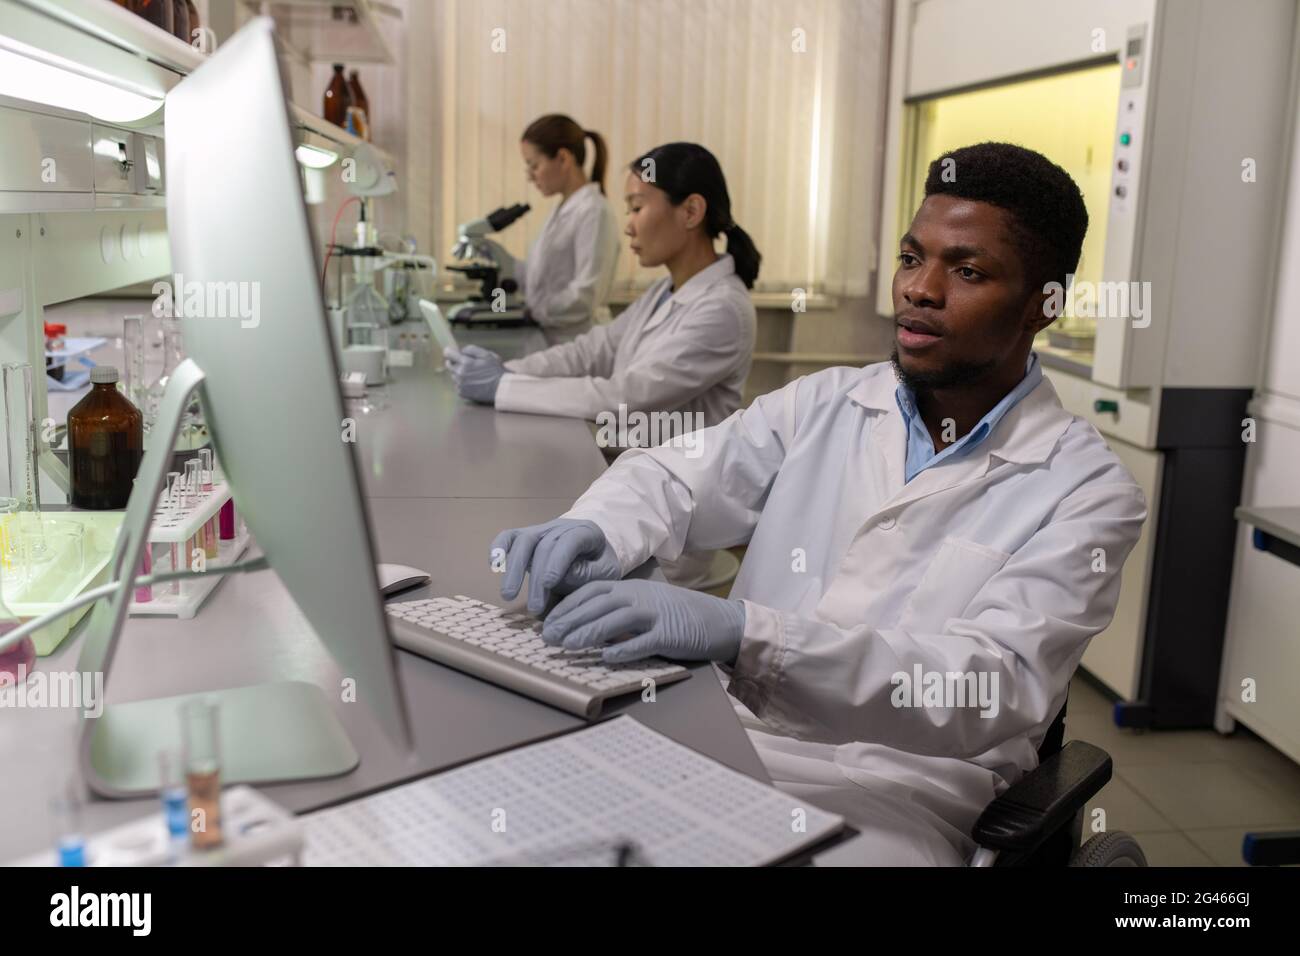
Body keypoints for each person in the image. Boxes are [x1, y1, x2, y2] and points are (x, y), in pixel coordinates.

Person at [487, 142, 1149, 865]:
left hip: (897, 798)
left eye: (966, 271)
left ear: (1041, 306)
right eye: (910, 258)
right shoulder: (827, 401)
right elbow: (675, 477)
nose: (919, 290)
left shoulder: (1086, 490)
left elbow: (989, 687)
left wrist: (747, 635)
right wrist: (597, 525)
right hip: (722, 734)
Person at [449, 141, 761, 588]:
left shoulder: (722, 309)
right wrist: (511, 370)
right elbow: (591, 350)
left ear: (691, 211)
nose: (628, 226)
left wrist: (501, 389)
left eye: (637, 208)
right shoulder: (665, 291)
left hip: (671, 521)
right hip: (631, 483)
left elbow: (624, 398)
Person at [490, 114, 620, 343]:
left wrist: (535, 311)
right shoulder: (561, 210)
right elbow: (538, 279)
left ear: (563, 158)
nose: (530, 176)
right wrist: (500, 259)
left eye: (534, 165)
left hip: (580, 345)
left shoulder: (594, 212)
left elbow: (585, 295)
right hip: (553, 342)